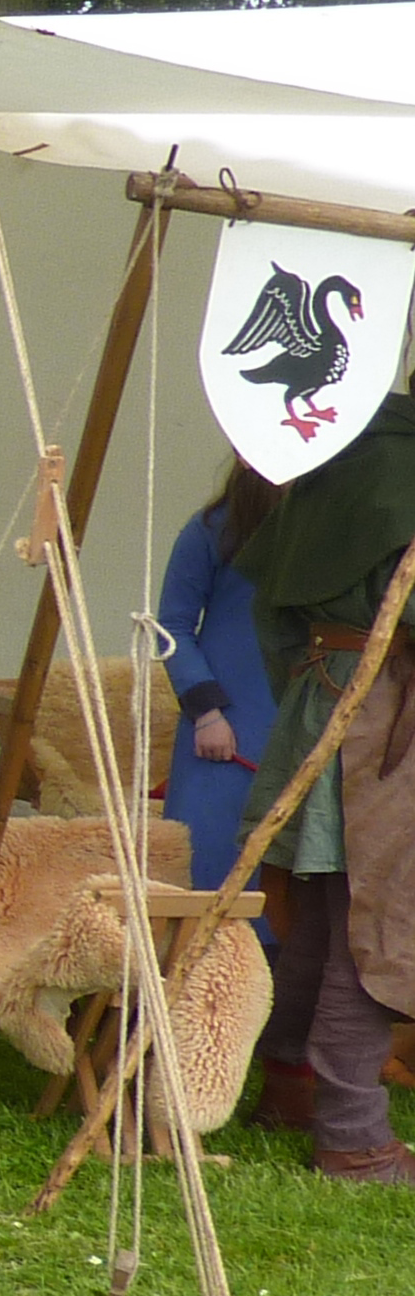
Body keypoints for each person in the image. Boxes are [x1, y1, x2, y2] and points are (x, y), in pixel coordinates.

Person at [233, 387, 415, 1185]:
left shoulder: (345, 452)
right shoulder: (399, 464)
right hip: (384, 717)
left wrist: (316, 694)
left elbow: (271, 612)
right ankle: (352, 1134)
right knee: (371, 920)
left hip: (322, 698)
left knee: (321, 918)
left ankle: (290, 1084)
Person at [158, 459, 311, 1125]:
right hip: (220, 743)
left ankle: (284, 1081)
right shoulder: (211, 530)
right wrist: (208, 710)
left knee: (295, 910)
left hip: (302, 734)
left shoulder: (326, 532)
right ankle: (190, 1071)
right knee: (211, 900)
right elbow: (170, 626)